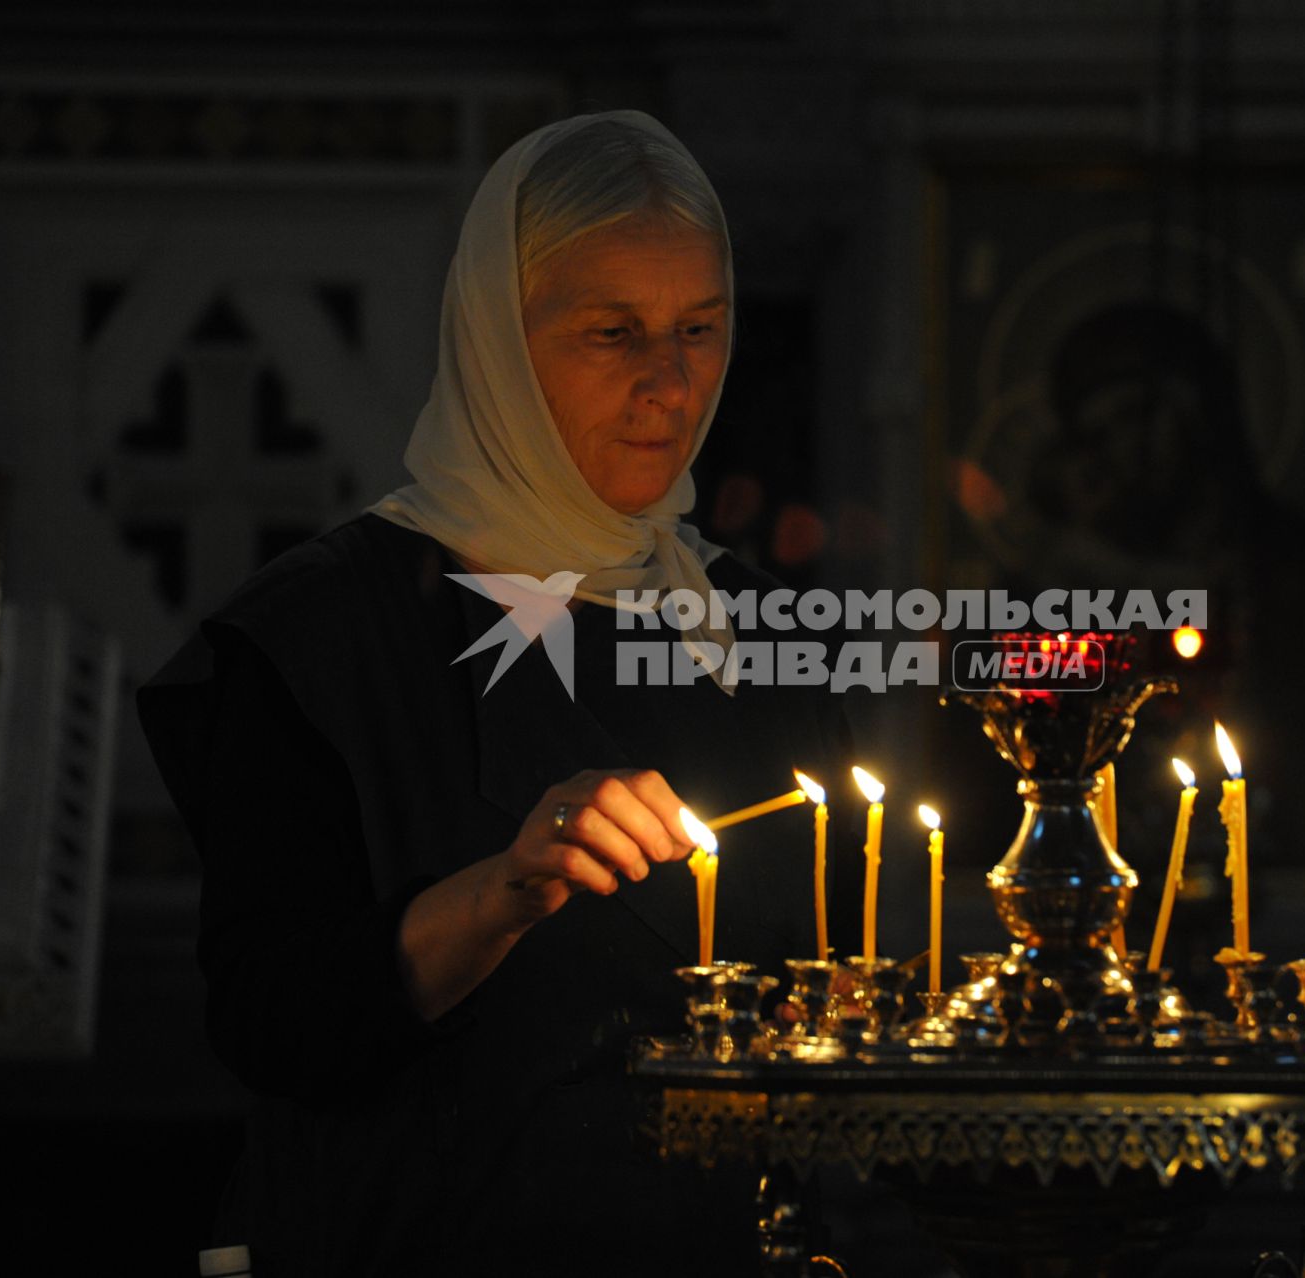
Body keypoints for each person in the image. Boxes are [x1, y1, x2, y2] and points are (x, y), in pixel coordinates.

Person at [138, 110, 857, 1276]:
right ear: (496, 342)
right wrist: (502, 894)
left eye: (701, 330)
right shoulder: (318, 638)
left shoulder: (770, 631)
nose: (668, 385)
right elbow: (275, 1027)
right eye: (613, 332)